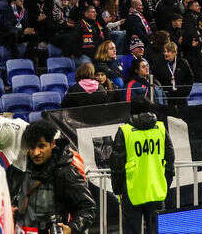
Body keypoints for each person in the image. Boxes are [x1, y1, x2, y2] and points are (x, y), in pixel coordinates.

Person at [15, 120, 97, 234]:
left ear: (52, 144)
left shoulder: (66, 171)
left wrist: (70, 229)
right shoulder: (23, 168)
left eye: (41, 146)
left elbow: (88, 208)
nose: (36, 152)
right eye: (32, 147)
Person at [109, 100, 173, 234]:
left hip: (132, 192)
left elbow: (117, 165)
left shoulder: (125, 131)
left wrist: (118, 189)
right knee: (157, 230)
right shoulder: (161, 128)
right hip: (156, 190)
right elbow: (170, 158)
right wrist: (166, 182)